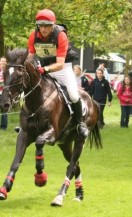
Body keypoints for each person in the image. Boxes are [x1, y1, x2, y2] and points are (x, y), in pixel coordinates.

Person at [26, 8, 89, 137]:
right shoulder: (33, 36)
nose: (43, 29)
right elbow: (30, 56)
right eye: (41, 26)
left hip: (62, 69)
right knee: (30, 90)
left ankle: (80, 123)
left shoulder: (60, 35)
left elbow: (60, 64)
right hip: (43, 68)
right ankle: (28, 121)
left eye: (47, 26)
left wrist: (45, 69)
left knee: (73, 95)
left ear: (53, 25)